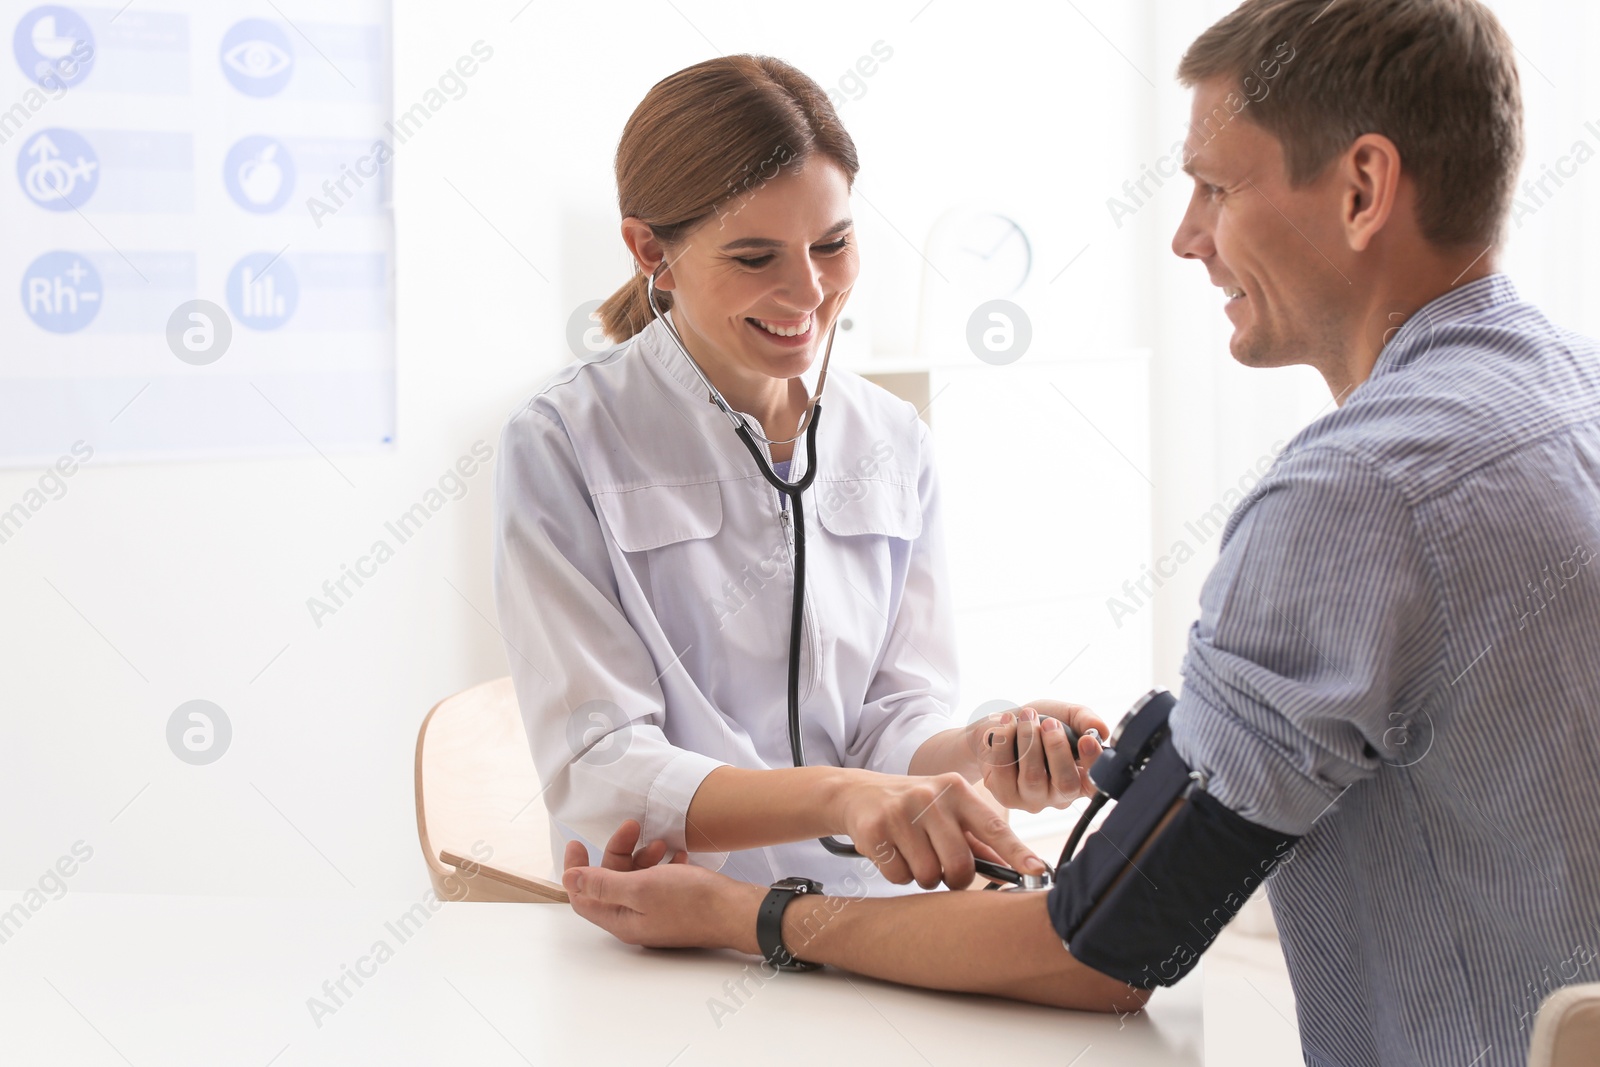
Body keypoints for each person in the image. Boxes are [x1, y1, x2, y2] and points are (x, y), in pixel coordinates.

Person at [557, 2, 1600, 1063]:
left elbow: (1102, 946)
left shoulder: (1354, 491)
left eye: (1214, 186)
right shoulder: (1576, 393)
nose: (1185, 234)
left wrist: (743, 914)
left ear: (1362, 190)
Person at [492, 54, 1106, 899]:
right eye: (755, 257)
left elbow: (894, 721)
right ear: (650, 252)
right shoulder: (562, 443)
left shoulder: (893, 439)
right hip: (683, 929)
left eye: (833, 243)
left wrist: (986, 751)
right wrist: (841, 796)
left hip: (874, 922)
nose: (809, 291)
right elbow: (601, 766)